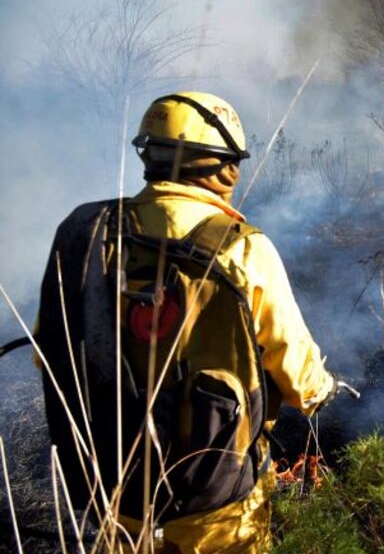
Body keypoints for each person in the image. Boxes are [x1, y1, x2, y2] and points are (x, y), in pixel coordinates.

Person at [32, 92, 336, 553]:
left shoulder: (88, 232)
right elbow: (297, 377)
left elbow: (48, 353)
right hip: (216, 498)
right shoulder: (243, 249)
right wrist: (321, 392)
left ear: (149, 154)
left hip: (112, 483)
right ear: (223, 166)